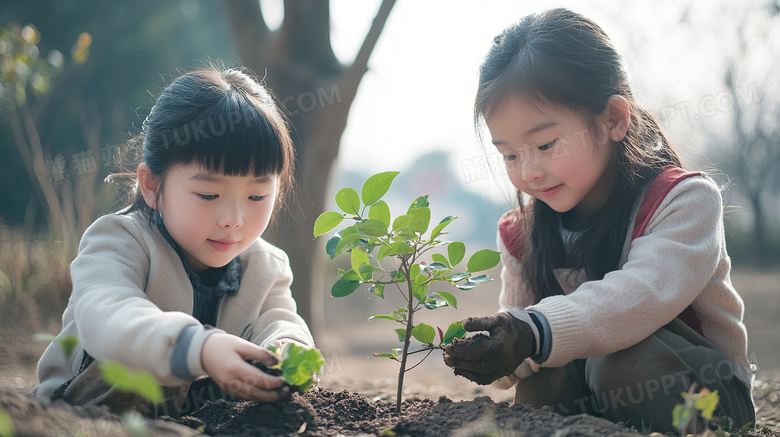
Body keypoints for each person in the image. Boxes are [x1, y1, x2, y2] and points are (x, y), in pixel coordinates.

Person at [443, 8, 755, 433]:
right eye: (510, 155)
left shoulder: (683, 201)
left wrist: (534, 332)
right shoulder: (522, 233)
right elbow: (521, 347)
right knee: (543, 382)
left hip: (706, 396)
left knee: (622, 361)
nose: (529, 171)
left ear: (613, 120)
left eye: (546, 144)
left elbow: (639, 298)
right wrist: (493, 350)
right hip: (598, 391)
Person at [31, 67, 315, 417]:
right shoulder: (118, 241)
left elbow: (279, 319)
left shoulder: (265, 266)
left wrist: (287, 349)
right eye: (209, 194)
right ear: (151, 186)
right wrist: (200, 348)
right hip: (84, 413)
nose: (234, 219)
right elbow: (108, 316)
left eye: (257, 196)